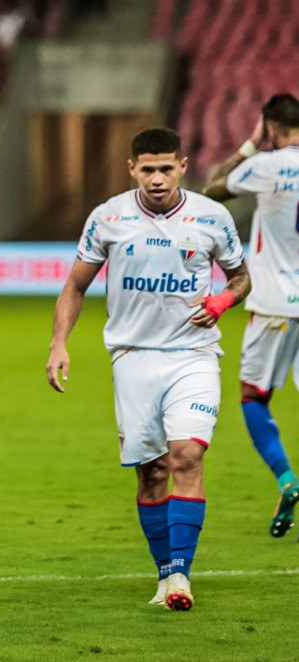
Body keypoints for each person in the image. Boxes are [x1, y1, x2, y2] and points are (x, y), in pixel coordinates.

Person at [47, 128, 250, 611]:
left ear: (183, 166)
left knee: (186, 456)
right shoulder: (108, 217)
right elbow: (75, 286)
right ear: (132, 169)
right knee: (152, 471)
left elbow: (241, 277)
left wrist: (223, 300)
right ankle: (164, 572)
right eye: (147, 170)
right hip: (133, 358)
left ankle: (180, 575)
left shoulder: (212, 216)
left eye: (166, 169)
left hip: (193, 356)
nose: (157, 179)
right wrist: (59, 344)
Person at [201, 93, 299, 538]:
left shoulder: (267, 165)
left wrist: (249, 145)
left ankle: (287, 479)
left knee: (254, 396)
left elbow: (211, 188)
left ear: (271, 127)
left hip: (275, 301)